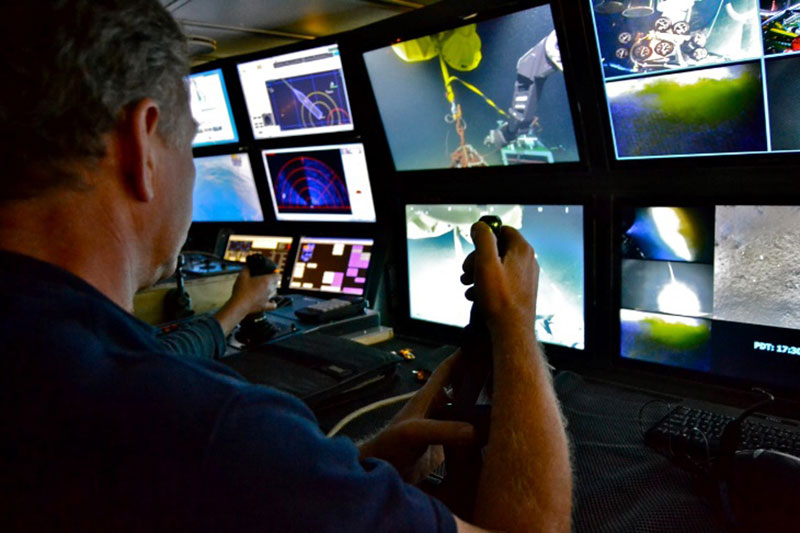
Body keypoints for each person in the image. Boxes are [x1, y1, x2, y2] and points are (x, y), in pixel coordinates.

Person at [0, 1, 572, 531]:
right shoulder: (203, 426)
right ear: (142, 146)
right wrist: (516, 324)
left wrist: (345, 474)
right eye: (193, 145)